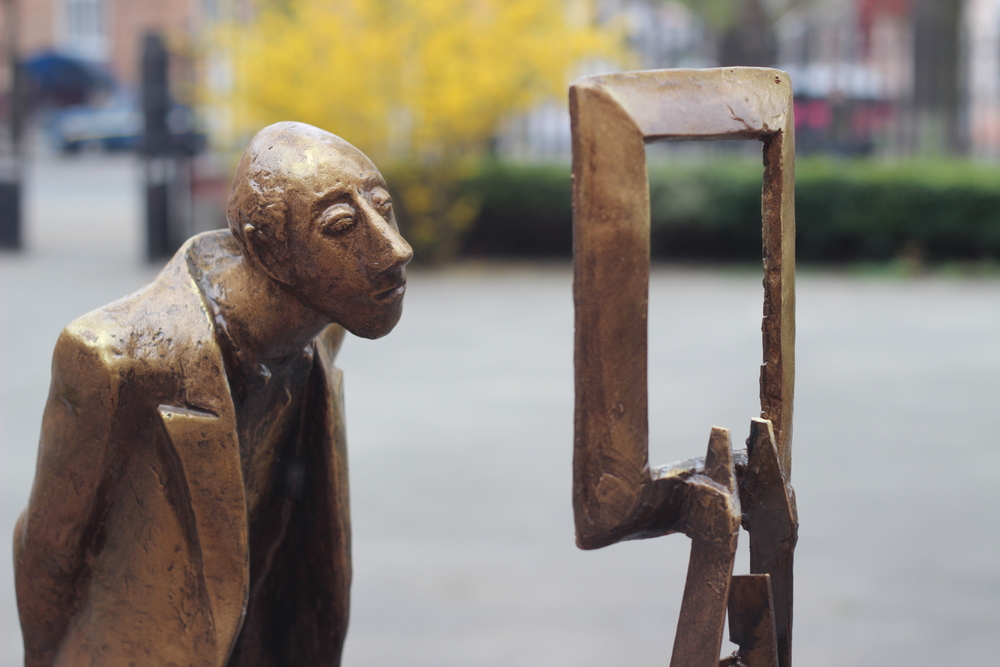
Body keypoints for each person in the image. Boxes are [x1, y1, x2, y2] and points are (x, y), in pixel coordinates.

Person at [14, 121, 412, 667]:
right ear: (267, 248)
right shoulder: (113, 358)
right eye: (342, 225)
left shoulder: (324, 328)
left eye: (383, 206)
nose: (395, 249)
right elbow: (49, 551)